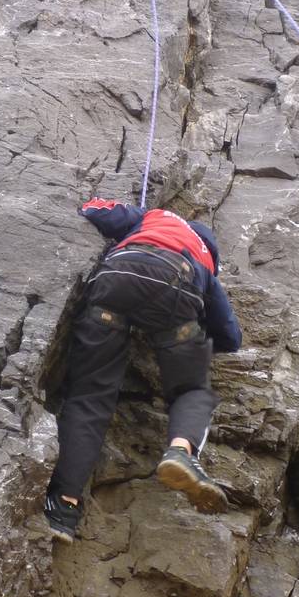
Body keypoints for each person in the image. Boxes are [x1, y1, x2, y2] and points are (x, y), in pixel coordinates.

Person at [44, 198, 242, 542]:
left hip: (117, 280)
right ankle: (181, 452)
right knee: (192, 390)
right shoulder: (205, 259)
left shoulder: (152, 216)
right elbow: (230, 337)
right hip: (178, 294)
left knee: (90, 395)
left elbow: (95, 210)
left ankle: (64, 507)